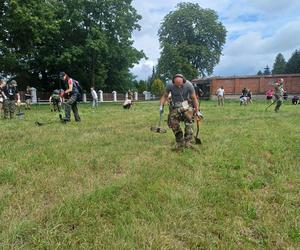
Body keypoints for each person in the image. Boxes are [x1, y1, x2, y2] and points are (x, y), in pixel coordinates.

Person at [159, 74, 203, 149]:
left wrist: (197, 110)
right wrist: (161, 106)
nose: (179, 86)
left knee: (189, 119)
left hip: (186, 106)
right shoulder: (169, 85)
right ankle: (179, 141)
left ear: (184, 81)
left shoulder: (189, 85)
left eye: (180, 84)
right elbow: (165, 96)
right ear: (173, 82)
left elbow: (194, 98)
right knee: (172, 120)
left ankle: (188, 141)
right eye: (177, 84)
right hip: (175, 106)